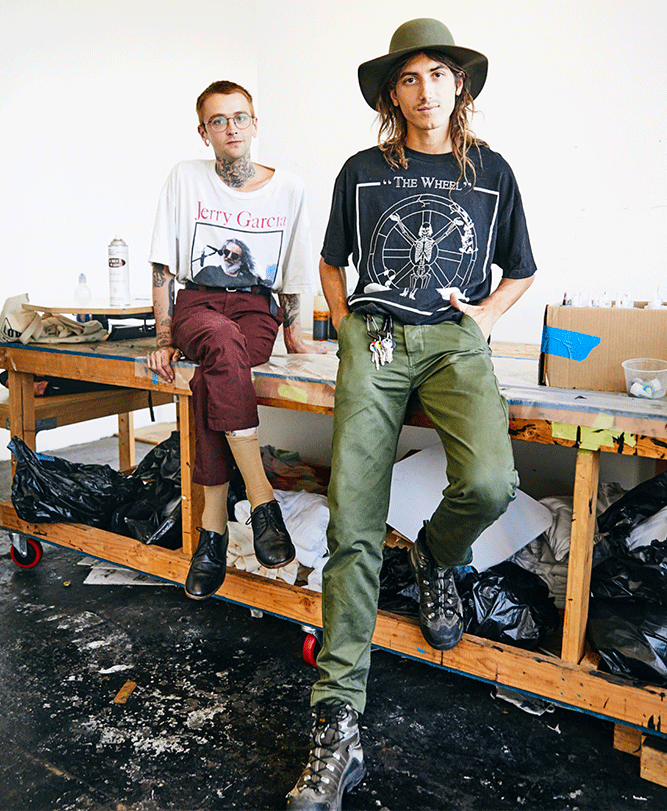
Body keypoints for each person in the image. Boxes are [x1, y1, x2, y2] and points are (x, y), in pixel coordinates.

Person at [287, 18, 536, 810]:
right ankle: (337, 725)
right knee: (352, 523)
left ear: (458, 84)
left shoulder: (491, 172)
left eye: (437, 74)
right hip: (379, 337)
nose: (424, 89)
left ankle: (435, 553)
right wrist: (347, 322)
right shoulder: (362, 170)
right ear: (391, 94)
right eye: (408, 78)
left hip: (455, 341)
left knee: (492, 482)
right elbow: (331, 260)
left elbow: (521, 270)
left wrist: (488, 315)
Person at [147, 80, 325, 602]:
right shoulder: (185, 177)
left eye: (240, 117)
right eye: (218, 120)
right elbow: (163, 262)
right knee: (220, 344)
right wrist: (163, 335)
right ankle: (262, 499)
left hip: (256, 307)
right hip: (197, 306)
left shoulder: (288, 187)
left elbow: (293, 270)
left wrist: (297, 337)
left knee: (212, 379)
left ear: (255, 123)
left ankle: (213, 533)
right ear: (203, 132)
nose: (231, 127)